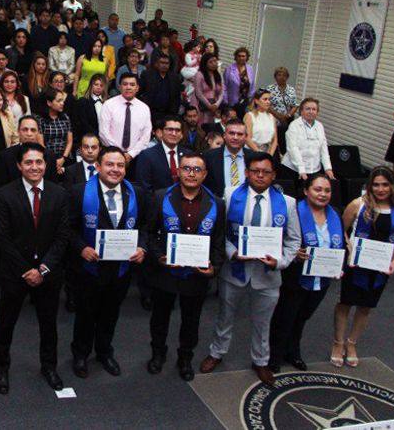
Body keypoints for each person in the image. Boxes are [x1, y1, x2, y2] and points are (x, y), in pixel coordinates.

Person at [199, 153, 301, 386]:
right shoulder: (230, 194)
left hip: (268, 275)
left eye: (266, 172)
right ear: (247, 172)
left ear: (273, 175)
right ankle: (217, 352)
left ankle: (261, 360)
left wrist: (281, 262)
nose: (260, 176)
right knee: (224, 315)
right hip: (235, 270)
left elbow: (294, 240)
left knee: (263, 321)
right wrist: (232, 252)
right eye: (255, 171)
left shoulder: (288, 203)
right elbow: (220, 233)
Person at [0, 143, 71, 393]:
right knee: (6, 323)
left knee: (49, 325)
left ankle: (49, 367)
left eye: (39, 162)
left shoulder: (60, 194)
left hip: (49, 273)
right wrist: (27, 270)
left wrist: (43, 269)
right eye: (28, 162)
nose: (34, 167)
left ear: (46, 165)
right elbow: (2, 238)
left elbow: (62, 237)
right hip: (16, 273)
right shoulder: (4, 195)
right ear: (19, 166)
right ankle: (2, 369)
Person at [66, 146, 150, 378]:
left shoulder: (137, 194)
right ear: (98, 166)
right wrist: (81, 247)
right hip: (88, 269)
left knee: (110, 313)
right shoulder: (78, 192)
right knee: (85, 314)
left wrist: (142, 247)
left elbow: (144, 227)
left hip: (120, 269)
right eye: (110, 164)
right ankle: (81, 354)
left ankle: (104, 352)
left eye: (120, 165)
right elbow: (67, 228)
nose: (115, 169)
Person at [144, 152, 226, 380]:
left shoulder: (217, 204)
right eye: (187, 168)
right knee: (160, 318)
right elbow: (149, 233)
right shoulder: (160, 198)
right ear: (178, 171)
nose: (191, 173)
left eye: (197, 169)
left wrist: (215, 268)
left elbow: (219, 241)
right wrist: (159, 256)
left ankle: (185, 358)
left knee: (191, 321)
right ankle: (158, 354)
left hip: (197, 275)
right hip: (165, 272)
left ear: (205, 174)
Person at [332, 168, 394, 368]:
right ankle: (338, 343)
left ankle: (352, 343)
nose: (380, 189)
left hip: (380, 268)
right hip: (356, 265)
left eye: (385, 185)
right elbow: (341, 230)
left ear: (392, 186)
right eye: (376, 184)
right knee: (346, 303)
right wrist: (349, 247)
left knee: (366, 307)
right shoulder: (359, 204)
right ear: (370, 185)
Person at [267, 175, 339, 372]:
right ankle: (274, 355)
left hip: (321, 279)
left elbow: (341, 244)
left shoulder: (335, 214)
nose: (322, 194)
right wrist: (292, 252)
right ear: (306, 191)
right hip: (295, 275)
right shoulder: (294, 211)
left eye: (327, 190)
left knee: (302, 317)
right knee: (285, 316)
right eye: (317, 189)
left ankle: (293, 351)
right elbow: (276, 238)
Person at [99, 73, 152, 158]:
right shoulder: (108, 105)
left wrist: (131, 154)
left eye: (132, 85)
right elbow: (103, 133)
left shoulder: (144, 108)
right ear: (119, 87)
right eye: (125, 84)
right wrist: (118, 153)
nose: (128, 87)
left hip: (136, 156)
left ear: (137, 88)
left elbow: (146, 136)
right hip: (111, 155)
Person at [281, 98, 334, 182]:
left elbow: (324, 150)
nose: (311, 111)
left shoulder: (319, 126)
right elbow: (293, 149)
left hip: (314, 170)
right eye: (308, 109)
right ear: (301, 111)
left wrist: (328, 168)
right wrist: (301, 169)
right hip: (292, 169)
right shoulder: (294, 125)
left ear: (317, 112)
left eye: (314, 109)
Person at [133, 115, 186, 193]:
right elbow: (144, 187)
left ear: (182, 135)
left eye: (177, 130)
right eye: (170, 129)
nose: (174, 133)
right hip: (157, 202)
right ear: (161, 132)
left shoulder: (188, 155)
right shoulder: (147, 155)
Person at [36, 88, 73, 178]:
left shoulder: (65, 117)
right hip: (47, 158)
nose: (62, 103)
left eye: (62, 100)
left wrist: (63, 159)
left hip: (65, 157)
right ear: (49, 103)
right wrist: (53, 161)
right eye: (59, 101)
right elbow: (41, 144)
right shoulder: (39, 119)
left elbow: (69, 141)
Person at [190, 53, 224, 125]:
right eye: (211, 62)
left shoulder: (218, 75)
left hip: (213, 106)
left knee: (210, 126)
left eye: (215, 61)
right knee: (201, 126)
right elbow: (198, 93)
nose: (214, 64)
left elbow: (221, 92)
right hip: (201, 106)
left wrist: (216, 105)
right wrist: (209, 105)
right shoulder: (199, 74)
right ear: (205, 64)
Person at [243, 89, 278, 156]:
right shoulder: (250, 116)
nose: (268, 102)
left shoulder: (271, 117)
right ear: (256, 101)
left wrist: (270, 155)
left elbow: (275, 140)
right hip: (252, 152)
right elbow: (247, 138)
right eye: (265, 99)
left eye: (269, 99)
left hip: (267, 152)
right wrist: (259, 153)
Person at [223, 47, 256, 115]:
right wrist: (225, 101)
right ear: (236, 57)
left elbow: (252, 86)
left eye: (243, 56)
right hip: (232, 103)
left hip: (246, 103)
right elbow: (224, 87)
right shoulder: (229, 69)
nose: (241, 58)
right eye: (239, 56)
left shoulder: (250, 69)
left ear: (247, 57)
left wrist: (251, 101)